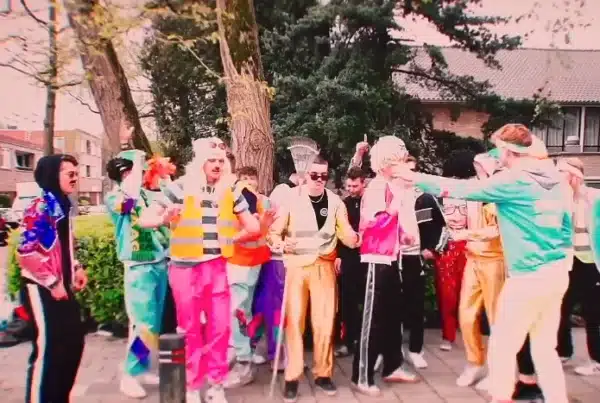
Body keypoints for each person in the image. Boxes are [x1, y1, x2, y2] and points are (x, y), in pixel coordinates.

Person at [402, 124, 573, 403]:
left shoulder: (514, 180)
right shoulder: (554, 178)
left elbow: (462, 188)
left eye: (498, 149)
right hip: (555, 274)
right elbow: (566, 227)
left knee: (502, 346)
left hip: (528, 277)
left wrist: (413, 177)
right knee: (545, 349)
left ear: (506, 150)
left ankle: (501, 397)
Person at [145, 137, 261, 403]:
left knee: (221, 327)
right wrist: (163, 218)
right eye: (212, 160)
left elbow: (253, 228)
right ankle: (192, 385)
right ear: (200, 163)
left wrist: (234, 237)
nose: (217, 165)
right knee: (190, 329)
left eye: (221, 160)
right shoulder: (180, 187)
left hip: (216, 266)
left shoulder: (230, 191)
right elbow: (145, 219)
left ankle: (216, 385)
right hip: (185, 269)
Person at [269, 155, 360, 403]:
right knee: (295, 322)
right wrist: (281, 244)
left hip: (324, 267)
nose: (320, 180)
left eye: (324, 176)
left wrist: (358, 238)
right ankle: (292, 376)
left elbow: (345, 233)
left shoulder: (336, 202)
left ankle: (323, 373)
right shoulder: (290, 199)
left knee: (325, 321)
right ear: (305, 175)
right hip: (297, 267)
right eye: (314, 175)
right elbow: (273, 233)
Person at [351, 136, 419, 397]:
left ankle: (392, 365)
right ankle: (361, 375)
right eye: (399, 159)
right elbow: (371, 224)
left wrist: (403, 235)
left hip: (390, 258)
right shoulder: (378, 188)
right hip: (375, 260)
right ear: (388, 163)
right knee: (373, 320)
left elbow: (389, 223)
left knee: (392, 316)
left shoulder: (390, 186)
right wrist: (394, 209)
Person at [17, 154, 88, 403]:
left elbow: (64, 245)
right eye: (70, 173)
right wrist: (52, 282)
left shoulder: (62, 205)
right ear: (52, 175)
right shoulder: (40, 208)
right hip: (41, 289)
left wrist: (76, 267)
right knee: (48, 352)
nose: (75, 178)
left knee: (72, 344)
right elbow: (26, 253)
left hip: (62, 287)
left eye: (76, 173)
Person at [105, 150, 171, 398]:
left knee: (153, 324)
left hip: (158, 262)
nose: (140, 175)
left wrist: (166, 218)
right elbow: (131, 209)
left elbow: (158, 214)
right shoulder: (115, 198)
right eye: (135, 170)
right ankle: (130, 375)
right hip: (137, 266)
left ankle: (142, 368)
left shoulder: (143, 194)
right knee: (143, 324)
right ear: (123, 174)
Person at [452, 150, 506, 388]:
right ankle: (475, 362)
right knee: (466, 314)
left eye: (480, 165)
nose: (477, 169)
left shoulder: (501, 191)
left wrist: (467, 234)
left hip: (495, 260)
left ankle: (499, 370)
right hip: (473, 259)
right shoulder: (474, 190)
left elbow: (498, 229)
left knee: (496, 317)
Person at [224, 166, 274, 387]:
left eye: (251, 178)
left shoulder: (245, 195)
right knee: (242, 311)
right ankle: (242, 354)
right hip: (245, 262)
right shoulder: (239, 195)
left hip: (244, 263)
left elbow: (256, 229)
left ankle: (243, 362)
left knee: (239, 312)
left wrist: (230, 240)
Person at [556, 157, 600, 376]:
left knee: (592, 313)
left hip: (591, 264)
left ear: (574, 175)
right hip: (567, 263)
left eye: (561, 172)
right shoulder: (559, 199)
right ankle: (563, 352)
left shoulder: (594, 197)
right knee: (560, 308)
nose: (557, 177)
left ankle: (597, 361)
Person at [404, 155, 446, 369]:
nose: (408, 175)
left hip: (415, 259)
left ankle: (415, 350)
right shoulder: (390, 195)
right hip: (393, 258)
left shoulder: (426, 198)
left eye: (412, 170)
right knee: (391, 307)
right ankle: (389, 351)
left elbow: (442, 226)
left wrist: (431, 248)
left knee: (415, 307)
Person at [433, 150, 478, 352]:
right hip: (448, 245)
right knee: (447, 294)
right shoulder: (442, 194)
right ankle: (448, 334)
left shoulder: (473, 194)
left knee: (469, 293)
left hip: (468, 245)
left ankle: (469, 333)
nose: (456, 215)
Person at [334, 167, 367, 358]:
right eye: (349, 186)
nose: (351, 189)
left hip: (368, 257)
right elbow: (338, 231)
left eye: (355, 186)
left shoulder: (370, 203)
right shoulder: (344, 204)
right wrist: (338, 255)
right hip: (349, 257)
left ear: (363, 183)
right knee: (348, 301)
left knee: (367, 300)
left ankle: (366, 341)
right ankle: (348, 341)